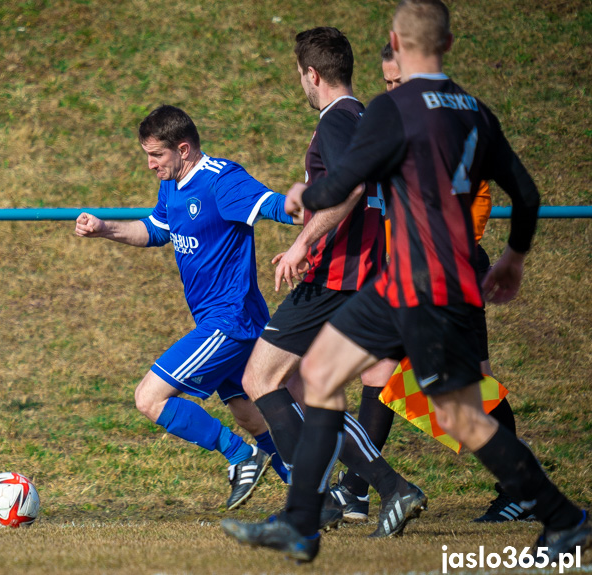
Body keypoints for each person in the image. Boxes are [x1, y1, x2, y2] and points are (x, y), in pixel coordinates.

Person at [222, 0, 591, 563]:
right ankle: (305, 519)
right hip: (430, 277)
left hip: (421, 282)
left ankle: (564, 519)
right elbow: (528, 194)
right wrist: (513, 258)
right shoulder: (474, 110)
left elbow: (348, 182)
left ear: (397, 41)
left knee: (458, 416)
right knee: (319, 375)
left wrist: (305, 204)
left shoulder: (395, 108)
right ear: (445, 44)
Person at [330, 42, 531, 525]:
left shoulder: (454, 122)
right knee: (378, 370)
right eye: (388, 83)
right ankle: (357, 489)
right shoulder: (397, 123)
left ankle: (524, 490)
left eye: (400, 81)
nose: (394, 91)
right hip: (408, 272)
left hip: (450, 268)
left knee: (469, 385)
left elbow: (489, 195)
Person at [241, 26, 424, 536]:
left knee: (260, 379)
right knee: (305, 388)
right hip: (362, 273)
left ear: (313, 74)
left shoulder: (336, 121)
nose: (300, 82)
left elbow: (352, 186)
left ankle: (369, 492)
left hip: (334, 278)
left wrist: (303, 245)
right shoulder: (369, 117)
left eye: (300, 74)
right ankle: (342, 499)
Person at [75, 105, 295, 510]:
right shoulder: (173, 185)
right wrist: (105, 229)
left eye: (156, 155)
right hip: (221, 321)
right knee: (252, 415)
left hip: (230, 321)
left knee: (149, 398)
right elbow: (157, 229)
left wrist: (315, 207)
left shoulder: (221, 181)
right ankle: (314, 497)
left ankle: (239, 455)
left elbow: (275, 206)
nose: (149, 164)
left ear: (184, 148)